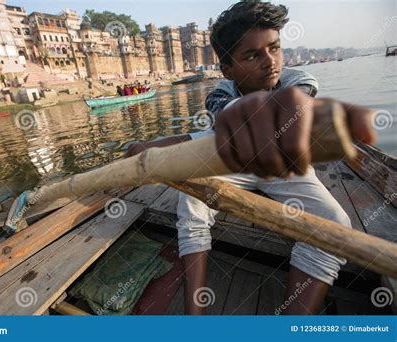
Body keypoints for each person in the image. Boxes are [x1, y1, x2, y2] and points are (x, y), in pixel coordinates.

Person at [125, 1, 375, 315]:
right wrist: (147, 148)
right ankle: (194, 316)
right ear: (227, 68)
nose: (270, 62)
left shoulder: (300, 81)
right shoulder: (221, 92)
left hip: (282, 164)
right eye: (252, 55)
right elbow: (224, 126)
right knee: (191, 199)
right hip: (234, 157)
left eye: (275, 48)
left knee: (336, 224)